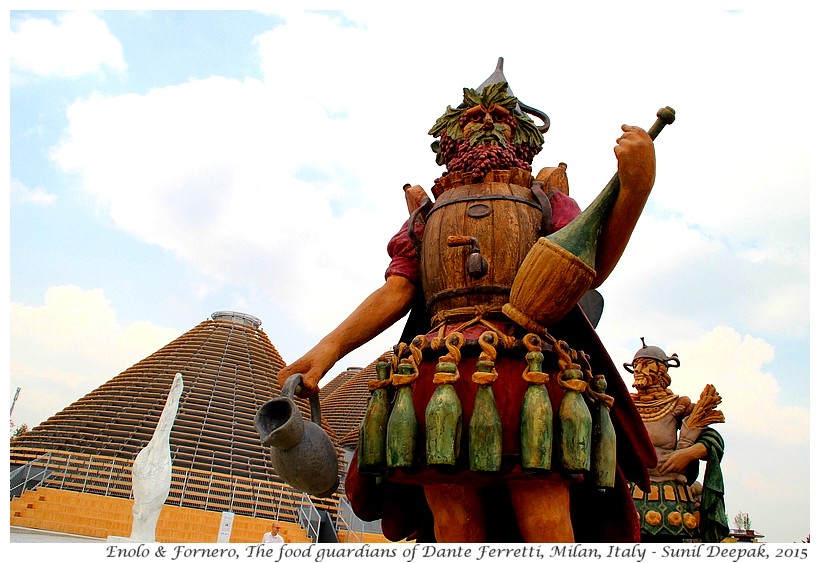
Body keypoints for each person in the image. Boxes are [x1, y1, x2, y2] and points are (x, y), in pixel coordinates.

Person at [278, 58, 657, 542]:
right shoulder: (428, 216)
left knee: (544, 519)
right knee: (452, 522)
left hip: (530, 368)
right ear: (449, 136)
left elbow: (588, 269)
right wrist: (325, 353)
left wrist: (635, 188)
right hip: (437, 369)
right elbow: (399, 287)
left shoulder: (545, 201)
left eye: (498, 117)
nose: (485, 124)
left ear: (522, 134)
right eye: (472, 117)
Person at [624, 339, 729, 543]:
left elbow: (713, 439)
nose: (638, 370)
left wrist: (687, 453)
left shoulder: (678, 405)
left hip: (668, 496)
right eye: (636, 365)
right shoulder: (625, 404)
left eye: (645, 365)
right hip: (628, 491)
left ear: (662, 370)